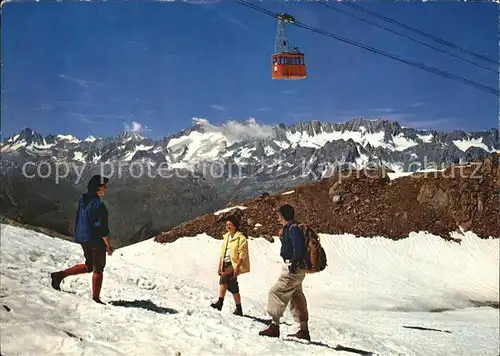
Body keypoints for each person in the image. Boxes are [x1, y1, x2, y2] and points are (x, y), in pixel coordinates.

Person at [50, 175, 113, 304]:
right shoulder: (99, 206)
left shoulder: (83, 200)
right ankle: (96, 299)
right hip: (95, 239)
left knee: (89, 266)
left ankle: (59, 275)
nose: (105, 189)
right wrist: (108, 245)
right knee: (98, 269)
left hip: (83, 237)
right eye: (104, 186)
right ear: (98, 188)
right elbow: (102, 229)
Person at [259, 204, 310, 341]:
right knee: (296, 295)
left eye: (279, 215)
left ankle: (274, 326)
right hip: (298, 268)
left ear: (282, 216)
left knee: (275, 292)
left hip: (292, 267)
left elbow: (299, 248)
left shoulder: (293, 229)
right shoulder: (292, 228)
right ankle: (304, 330)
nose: (278, 217)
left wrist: (294, 263)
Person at [210, 215, 250, 316]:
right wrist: (220, 266)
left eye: (230, 224)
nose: (228, 226)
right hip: (226, 263)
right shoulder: (226, 237)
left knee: (224, 277)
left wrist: (237, 267)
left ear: (235, 226)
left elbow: (242, 254)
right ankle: (239, 309)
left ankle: (220, 303)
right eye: (227, 224)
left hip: (234, 264)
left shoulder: (241, 238)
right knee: (233, 287)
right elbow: (222, 253)